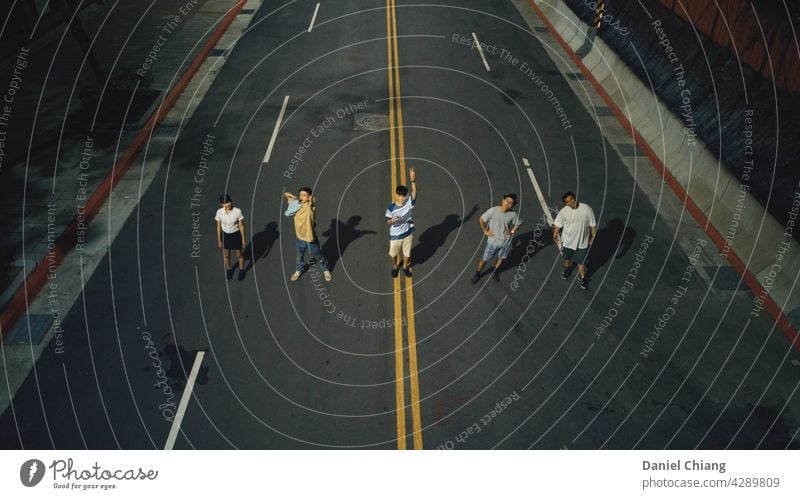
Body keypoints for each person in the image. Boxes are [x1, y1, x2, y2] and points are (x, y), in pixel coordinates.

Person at [471, 194, 522, 284]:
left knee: (500, 258)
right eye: (507, 200)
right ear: (502, 200)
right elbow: (481, 220)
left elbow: (518, 223)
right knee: (485, 259)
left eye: (511, 203)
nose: (508, 203)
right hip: (492, 242)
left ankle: (495, 271)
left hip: (505, 242)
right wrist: (485, 231)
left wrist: (512, 231)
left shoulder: (513, 214)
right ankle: (477, 273)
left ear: (512, 205)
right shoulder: (493, 211)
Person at [285, 187, 332, 282]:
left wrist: (311, 200)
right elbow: (286, 194)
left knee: (319, 255)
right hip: (300, 238)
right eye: (300, 195)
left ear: (309, 197)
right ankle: (298, 270)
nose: (301, 197)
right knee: (299, 256)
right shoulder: (296, 205)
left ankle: (325, 269)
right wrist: (295, 198)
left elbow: (312, 203)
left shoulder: (310, 206)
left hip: (311, 239)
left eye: (304, 195)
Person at [553, 191, 597, 289]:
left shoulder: (587, 209)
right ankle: (567, 269)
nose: (571, 202)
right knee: (567, 258)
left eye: (572, 199)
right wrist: (555, 234)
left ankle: (583, 278)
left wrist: (593, 237)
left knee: (582, 262)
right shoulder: (564, 211)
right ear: (566, 203)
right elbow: (558, 224)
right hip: (568, 242)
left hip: (582, 243)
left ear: (575, 198)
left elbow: (593, 225)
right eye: (568, 201)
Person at [385, 168, 417, 277]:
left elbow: (414, 193)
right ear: (396, 195)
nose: (402, 198)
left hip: (407, 234)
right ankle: (395, 266)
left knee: (407, 254)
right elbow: (387, 221)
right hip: (395, 236)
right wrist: (393, 220)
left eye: (404, 195)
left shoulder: (408, 203)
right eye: (400, 195)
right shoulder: (391, 207)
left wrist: (413, 181)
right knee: (393, 254)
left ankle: (405, 267)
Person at [215, 194, 247, 281]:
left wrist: (243, 239)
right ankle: (229, 270)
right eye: (225, 203)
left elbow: (241, 226)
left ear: (231, 201)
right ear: (221, 204)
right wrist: (219, 240)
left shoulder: (237, 211)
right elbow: (218, 227)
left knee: (239, 255)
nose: (227, 204)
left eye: (228, 202)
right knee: (226, 255)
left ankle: (241, 270)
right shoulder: (219, 212)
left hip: (235, 235)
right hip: (225, 236)